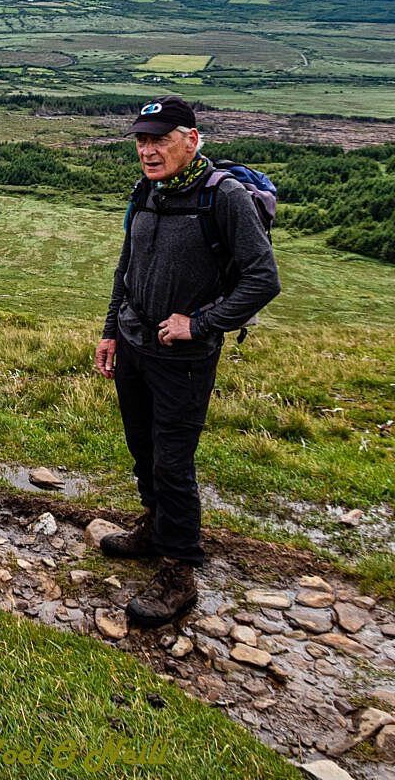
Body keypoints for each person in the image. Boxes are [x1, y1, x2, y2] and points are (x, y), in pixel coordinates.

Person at [95, 96, 280, 627]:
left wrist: (198, 324)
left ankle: (180, 569)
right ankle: (155, 527)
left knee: (174, 461)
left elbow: (262, 279)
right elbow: (126, 265)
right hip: (133, 344)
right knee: (142, 446)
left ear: (191, 140)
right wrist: (111, 331)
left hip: (186, 357)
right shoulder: (146, 191)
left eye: (160, 140)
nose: (148, 151)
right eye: (141, 140)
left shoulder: (222, 198)